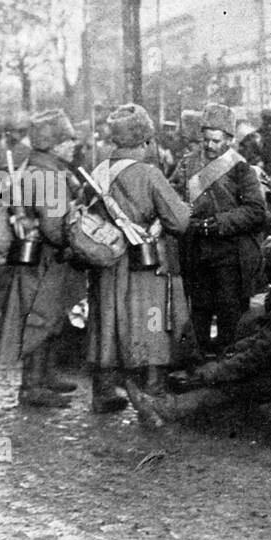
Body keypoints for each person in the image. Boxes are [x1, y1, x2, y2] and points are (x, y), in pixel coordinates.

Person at [124, 232, 271, 425]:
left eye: (267, 262)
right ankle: (168, 406)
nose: (262, 267)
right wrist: (234, 352)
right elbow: (264, 341)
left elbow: (262, 352)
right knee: (224, 373)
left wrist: (221, 370)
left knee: (232, 384)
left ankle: (166, 409)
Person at [85, 103, 194, 413]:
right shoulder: (149, 174)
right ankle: (153, 391)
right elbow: (179, 222)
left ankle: (103, 391)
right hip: (145, 264)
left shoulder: (98, 172)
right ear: (145, 140)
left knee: (107, 321)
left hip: (107, 262)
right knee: (153, 322)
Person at [0, 109, 87, 408]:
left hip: (40, 257)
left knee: (51, 316)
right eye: (68, 139)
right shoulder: (48, 174)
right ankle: (32, 385)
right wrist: (75, 243)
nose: (73, 144)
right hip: (48, 257)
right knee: (41, 317)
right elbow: (53, 226)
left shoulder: (37, 167)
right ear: (54, 143)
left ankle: (45, 376)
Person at [169, 102, 267, 357]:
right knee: (199, 310)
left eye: (216, 140)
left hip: (229, 253)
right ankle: (198, 364)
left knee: (230, 315)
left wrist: (220, 223)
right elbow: (172, 195)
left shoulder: (241, 167)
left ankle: (225, 366)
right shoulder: (187, 164)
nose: (210, 146)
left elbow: (256, 211)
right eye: (206, 140)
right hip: (196, 250)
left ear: (230, 140)